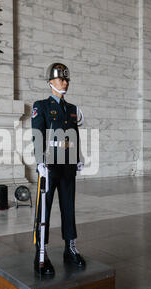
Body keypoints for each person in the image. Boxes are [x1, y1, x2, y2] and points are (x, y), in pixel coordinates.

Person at [31, 62, 85, 276]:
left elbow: (75, 135)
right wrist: (39, 162)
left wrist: (78, 157)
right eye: (61, 79)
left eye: (66, 79)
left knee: (68, 207)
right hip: (50, 166)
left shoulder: (72, 109)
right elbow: (37, 135)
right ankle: (40, 251)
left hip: (68, 165)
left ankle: (70, 248)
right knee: (43, 209)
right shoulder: (41, 106)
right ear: (50, 83)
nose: (65, 83)